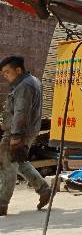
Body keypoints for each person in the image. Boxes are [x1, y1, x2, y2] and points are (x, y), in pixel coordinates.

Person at [0, 55, 51, 216]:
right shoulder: (33, 81)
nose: (5, 75)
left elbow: (21, 112)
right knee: (19, 162)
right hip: (25, 131)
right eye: (3, 73)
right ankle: (43, 189)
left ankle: (2, 203)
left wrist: (15, 136)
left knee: (7, 165)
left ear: (18, 70)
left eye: (7, 72)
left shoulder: (24, 86)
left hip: (17, 132)